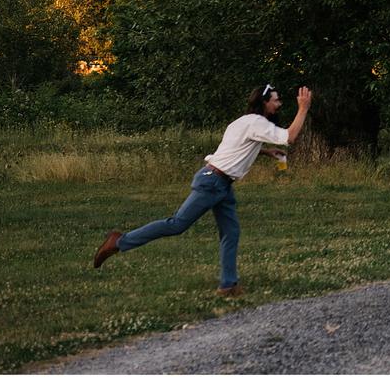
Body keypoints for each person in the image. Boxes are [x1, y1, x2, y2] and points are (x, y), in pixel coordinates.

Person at [92, 84, 312, 296]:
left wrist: (265, 152)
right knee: (177, 224)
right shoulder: (256, 122)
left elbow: (236, 148)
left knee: (231, 232)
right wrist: (303, 108)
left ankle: (228, 285)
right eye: (276, 100)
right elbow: (290, 137)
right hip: (212, 183)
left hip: (221, 184)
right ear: (264, 102)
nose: (279, 104)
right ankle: (119, 242)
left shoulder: (244, 122)